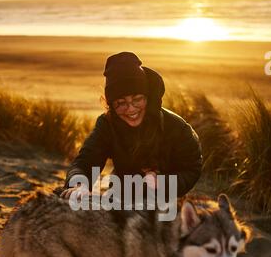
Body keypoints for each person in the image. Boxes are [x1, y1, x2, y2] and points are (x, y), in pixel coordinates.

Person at [61, 52, 202, 205]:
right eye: (120, 103)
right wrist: (78, 185)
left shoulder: (177, 127)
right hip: (120, 199)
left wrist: (162, 183)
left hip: (166, 201)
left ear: (148, 97)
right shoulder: (107, 124)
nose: (130, 109)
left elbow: (192, 168)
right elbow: (85, 161)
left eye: (137, 99)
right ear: (111, 105)